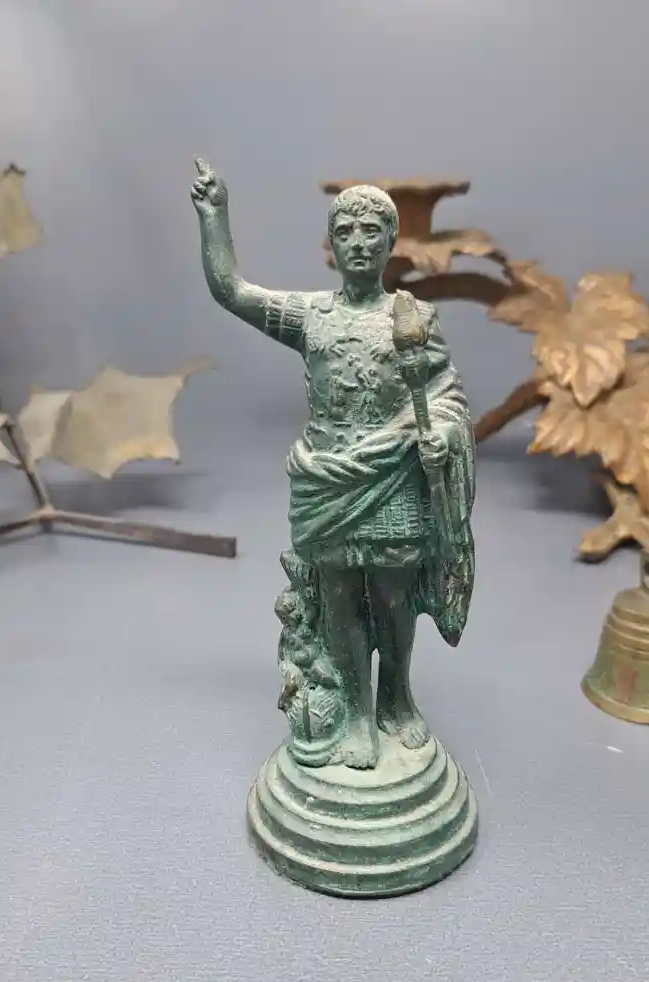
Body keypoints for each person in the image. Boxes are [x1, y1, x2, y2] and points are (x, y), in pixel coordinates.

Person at [191, 159, 475, 770]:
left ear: (391, 241)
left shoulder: (413, 318)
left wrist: (443, 434)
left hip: (392, 477)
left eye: (371, 230)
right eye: (345, 232)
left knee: (394, 598)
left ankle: (396, 698)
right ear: (331, 245)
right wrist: (215, 216)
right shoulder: (310, 315)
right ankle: (358, 713)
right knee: (339, 597)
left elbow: (446, 394)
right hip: (325, 478)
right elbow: (231, 291)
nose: (358, 242)